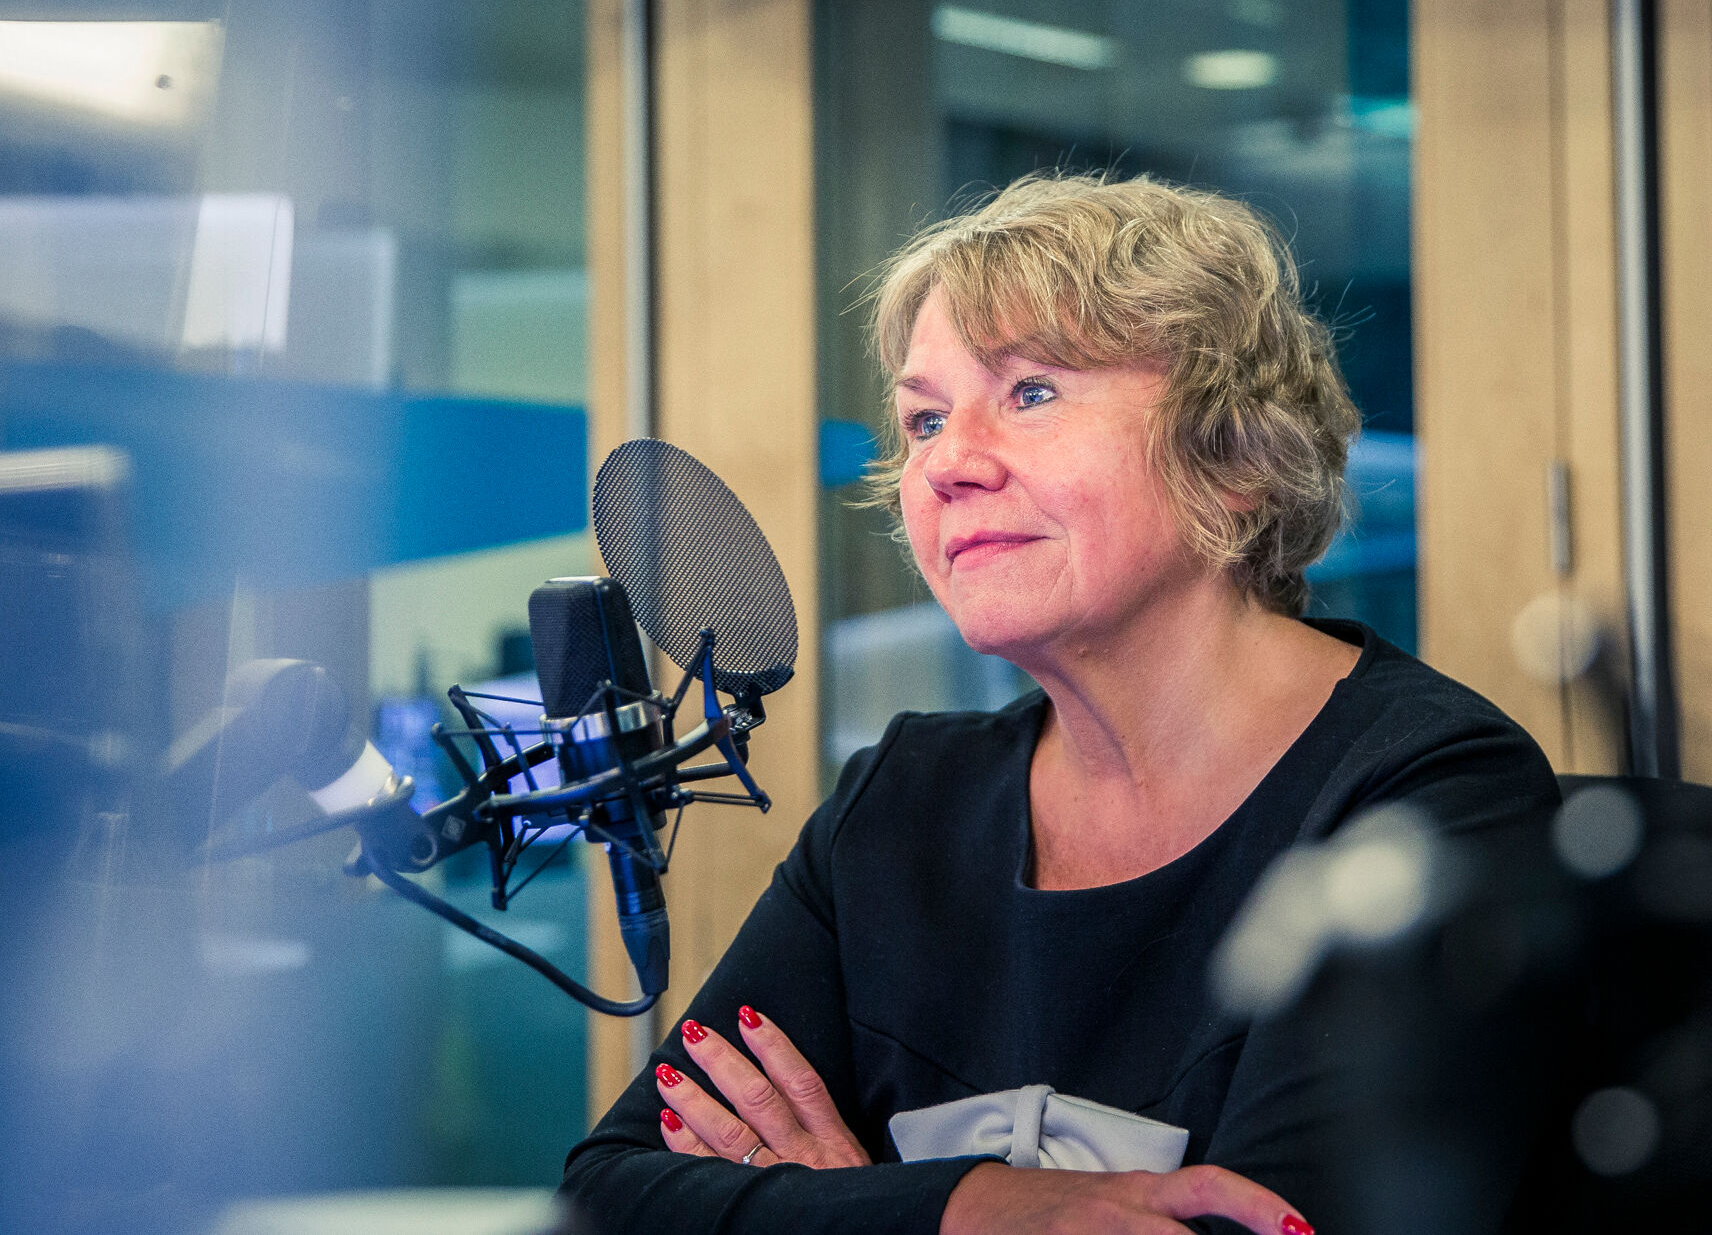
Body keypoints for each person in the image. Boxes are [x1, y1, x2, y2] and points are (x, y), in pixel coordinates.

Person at [559, 173, 1559, 1234]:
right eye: (923, 418)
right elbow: (610, 1193)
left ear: (1233, 452)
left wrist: (839, 1208)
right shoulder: (899, 800)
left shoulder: (1435, 796)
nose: (945, 464)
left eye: (1031, 392)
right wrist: (970, 1209)